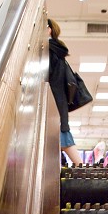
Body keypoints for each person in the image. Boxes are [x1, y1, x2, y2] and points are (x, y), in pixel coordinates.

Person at [47, 17, 83, 166]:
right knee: (64, 138)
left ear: (49, 29)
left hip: (53, 104)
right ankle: (81, 168)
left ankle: (82, 169)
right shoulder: (57, 50)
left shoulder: (49, 51)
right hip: (58, 103)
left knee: (64, 139)